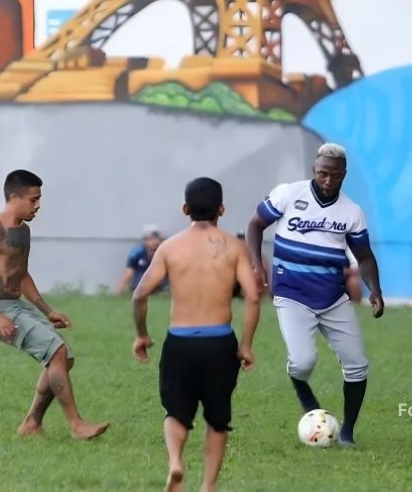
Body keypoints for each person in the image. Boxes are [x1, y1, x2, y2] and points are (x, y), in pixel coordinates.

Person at [244, 142, 384, 447]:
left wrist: (375, 289)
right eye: (322, 173)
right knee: (303, 362)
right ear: (314, 170)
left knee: (357, 364)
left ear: (344, 174)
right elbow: (255, 225)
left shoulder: (352, 212)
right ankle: (304, 394)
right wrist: (256, 263)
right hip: (292, 292)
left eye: (334, 175)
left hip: (333, 297)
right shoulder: (288, 194)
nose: (328, 180)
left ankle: (346, 432)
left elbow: (364, 256)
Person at [131, 177, 261, 492]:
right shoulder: (234, 247)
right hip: (219, 343)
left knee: (176, 411)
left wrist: (142, 335)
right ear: (222, 209)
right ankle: (208, 485)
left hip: (180, 341)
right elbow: (254, 296)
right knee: (217, 419)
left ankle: (176, 461)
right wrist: (246, 345)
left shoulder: (169, 247)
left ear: (185, 209)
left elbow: (139, 295)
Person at [0, 169, 110, 440]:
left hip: (14, 306)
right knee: (57, 353)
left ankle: (32, 423)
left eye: (39, 199)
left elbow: (22, 274)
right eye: (33, 200)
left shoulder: (23, 231)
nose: (38, 205)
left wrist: (48, 310)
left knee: (64, 357)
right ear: (14, 197)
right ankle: (76, 424)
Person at [117, 225, 166, 295]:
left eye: (156, 239)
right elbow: (128, 272)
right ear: (145, 240)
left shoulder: (164, 251)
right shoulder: (137, 252)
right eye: (150, 239)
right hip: (139, 287)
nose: (154, 242)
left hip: (160, 288)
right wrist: (120, 291)